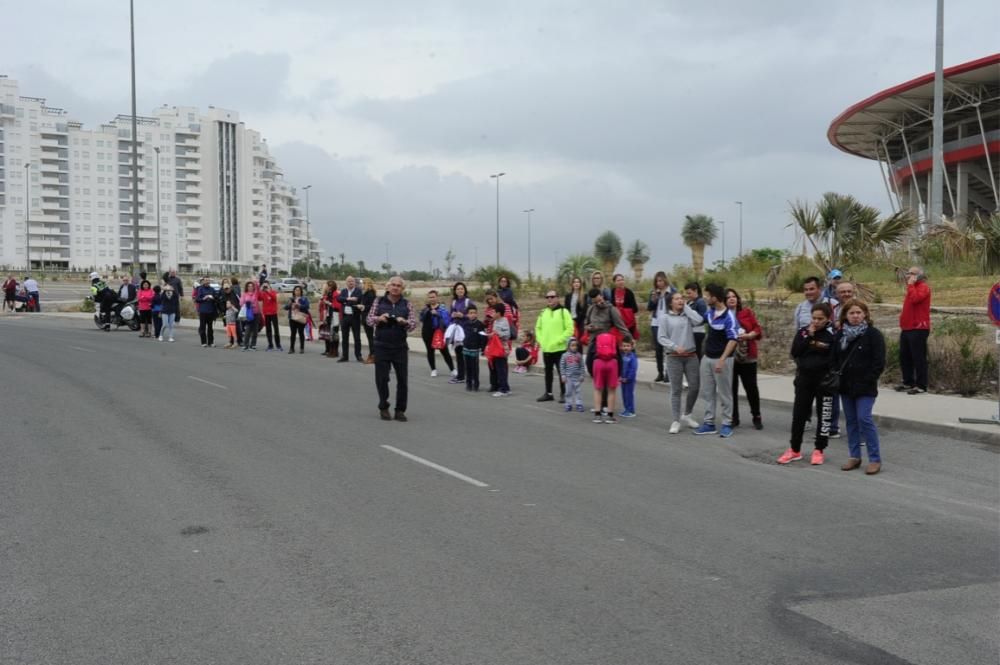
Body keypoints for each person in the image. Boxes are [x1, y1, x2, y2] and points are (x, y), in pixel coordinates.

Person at [778, 303, 836, 465]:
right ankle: (794, 449)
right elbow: (795, 352)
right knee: (799, 415)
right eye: (814, 318)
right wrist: (809, 336)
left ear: (828, 318)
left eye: (820, 319)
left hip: (824, 381)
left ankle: (819, 449)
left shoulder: (833, 334)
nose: (816, 322)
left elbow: (834, 357)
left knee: (824, 415)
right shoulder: (803, 332)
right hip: (804, 379)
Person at [835, 300, 886, 475]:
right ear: (845, 316)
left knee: (864, 418)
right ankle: (854, 456)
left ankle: (874, 459)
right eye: (851, 313)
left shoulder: (873, 334)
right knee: (851, 421)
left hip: (865, 386)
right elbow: (834, 358)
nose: (855, 316)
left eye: (859, 312)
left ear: (865, 314)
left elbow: (879, 362)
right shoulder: (841, 335)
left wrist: (868, 380)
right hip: (846, 386)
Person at [366, 276, 418, 420]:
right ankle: (383, 406)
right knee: (382, 379)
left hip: (400, 347)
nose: (395, 287)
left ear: (402, 289)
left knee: (402, 380)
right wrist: (379, 318)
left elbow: (413, 324)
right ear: (388, 287)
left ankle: (400, 410)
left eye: (399, 286)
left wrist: (405, 322)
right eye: (393, 285)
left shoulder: (407, 304)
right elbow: (369, 320)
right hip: (382, 346)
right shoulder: (379, 301)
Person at [693, 284, 739, 438]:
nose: (705, 298)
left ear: (715, 297)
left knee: (725, 394)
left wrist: (722, 360)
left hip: (722, 360)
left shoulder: (729, 316)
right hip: (707, 358)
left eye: (707, 295)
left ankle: (727, 424)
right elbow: (698, 321)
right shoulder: (710, 312)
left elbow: (733, 340)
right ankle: (709, 423)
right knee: (707, 392)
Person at [657, 291, 704, 434]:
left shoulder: (688, 315)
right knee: (676, 390)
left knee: (695, 387)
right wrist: (675, 347)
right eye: (677, 299)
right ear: (670, 302)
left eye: (682, 298)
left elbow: (700, 320)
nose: (680, 300)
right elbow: (661, 338)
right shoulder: (665, 318)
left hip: (691, 356)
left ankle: (687, 414)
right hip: (673, 357)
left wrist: (687, 308)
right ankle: (676, 420)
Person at [727, 288, 763, 430]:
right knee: (732, 389)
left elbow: (758, 330)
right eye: (728, 297)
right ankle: (734, 418)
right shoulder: (723, 316)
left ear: (738, 299)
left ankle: (756, 416)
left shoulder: (746, 313)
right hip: (730, 358)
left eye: (734, 296)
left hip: (747, 356)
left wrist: (749, 335)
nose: (731, 298)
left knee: (751, 388)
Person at [535, 289, 575, 402]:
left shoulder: (564, 312)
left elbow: (570, 329)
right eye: (547, 297)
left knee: (562, 372)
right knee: (548, 372)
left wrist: (559, 340)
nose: (550, 299)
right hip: (547, 348)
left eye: (552, 297)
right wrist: (541, 340)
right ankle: (548, 393)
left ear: (557, 298)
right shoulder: (543, 312)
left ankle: (564, 393)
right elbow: (538, 328)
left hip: (560, 349)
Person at [897, 266, 931, 395]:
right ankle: (908, 382)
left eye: (912, 274)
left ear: (919, 276)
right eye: (908, 273)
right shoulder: (912, 288)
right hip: (907, 327)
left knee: (918, 357)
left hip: (918, 328)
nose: (908, 276)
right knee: (904, 356)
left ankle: (921, 385)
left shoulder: (923, 287)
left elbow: (915, 299)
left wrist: (911, 286)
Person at [647, 271, 676, 383]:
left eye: (661, 280)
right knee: (658, 349)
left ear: (665, 280)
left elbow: (675, 306)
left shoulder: (672, 291)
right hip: (656, 322)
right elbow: (649, 307)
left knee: (668, 348)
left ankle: (668, 373)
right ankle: (660, 372)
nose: (659, 283)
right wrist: (653, 299)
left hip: (668, 322)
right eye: (657, 281)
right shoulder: (654, 292)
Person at [419, 289, 453, 377]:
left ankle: (452, 369)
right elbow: (421, 319)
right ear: (428, 298)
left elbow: (447, 321)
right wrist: (427, 313)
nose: (432, 299)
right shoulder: (425, 309)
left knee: (444, 351)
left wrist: (438, 314)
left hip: (439, 333)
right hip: (427, 333)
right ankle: (433, 369)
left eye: (433, 297)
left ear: (437, 297)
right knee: (430, 351)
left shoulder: (442, 309)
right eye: (430, 297)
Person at [591, 331, 620, 424]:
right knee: (611, 390)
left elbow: (590, 355)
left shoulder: (596, 338)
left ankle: (597, 415)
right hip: (612, 362)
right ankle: (610, 415)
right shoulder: (613, 338)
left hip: (598, 362)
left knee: (598, 389)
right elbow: (618, 355)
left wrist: (591, 371)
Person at [449, 282, 474, 384]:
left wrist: (462, 316)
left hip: (466, 331)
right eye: (458, 289)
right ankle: (460, 376)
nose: (460, 290)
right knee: (458, 354)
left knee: (468, 354)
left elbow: (473, 316)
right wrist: (453, 315)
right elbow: (450, 315)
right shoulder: (454, 302)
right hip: (457, 332)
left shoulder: (468, 302)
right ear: (455, 291)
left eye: (462, 289)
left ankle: (471, 376)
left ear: (465, 290)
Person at [338, 275, 365, 362]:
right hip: (345, 317)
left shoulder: (358, 291)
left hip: (355, 317)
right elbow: (339, 299)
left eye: (352, 281)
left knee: (357, 338)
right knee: (344, 337)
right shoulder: (343, 291)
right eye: (349, 281)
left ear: (354, 282)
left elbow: (358, 299)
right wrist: (348, 299)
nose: (350, 283)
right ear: (346, 282)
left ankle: (358, 356)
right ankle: (345, 356)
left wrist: (346, 301)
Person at [459, 304, 486, 391]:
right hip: (466, 348)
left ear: (477, 314)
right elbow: (462, 335)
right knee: (467, 367)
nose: (472, 314)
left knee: (475, 367)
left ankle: (476, 384)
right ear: (467, 314)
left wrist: (483, 348)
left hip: (475, 349)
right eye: (470, 313)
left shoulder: (480, 324)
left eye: (474, 313)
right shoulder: (465, 324)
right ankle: (468, 383)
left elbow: (483, 338)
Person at [488, 302, 512, 397]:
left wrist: (496, 334)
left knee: (501, 369)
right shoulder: (495, 321)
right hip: (495, 348)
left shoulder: (504, 321)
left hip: (502, 349)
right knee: (498, 368)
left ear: (499, 313)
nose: (492, 314)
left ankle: (503, 389)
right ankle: (505, 387)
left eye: (494, 312)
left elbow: (507, 334)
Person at [559, 338, 586, 412]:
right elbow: (562, 366)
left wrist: (582, 375)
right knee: (568, 391)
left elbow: (582, 366)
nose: (575, 347)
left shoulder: (579, 355)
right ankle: (568, 404)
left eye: (576, 345)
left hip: (577, 377)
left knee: (578, 391)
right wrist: (563, 375)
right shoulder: (564, 355)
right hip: (568, 378)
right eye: (572, 345)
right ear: (568, 346)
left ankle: (579, 404)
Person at [611, 273, 640, 342]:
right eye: (618, 280)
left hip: (628, 322)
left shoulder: (629, 292)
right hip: (616, 321)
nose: (621, 282)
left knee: (629, 342)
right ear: (614, 282)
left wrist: (622, 311)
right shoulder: (612, 292)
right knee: (617, 342)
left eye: (622, 280)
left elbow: (635, 308)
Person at [684, 282, 708, 359]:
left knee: (697, 354)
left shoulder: (700, 302)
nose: (688, 295)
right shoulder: (689, 302)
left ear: (695, 291)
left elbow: (703, 319)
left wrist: (693, 321)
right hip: (690, 331)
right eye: (687, 293)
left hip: (698, 332)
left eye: (689, 293)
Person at [319, 281, 341, 358]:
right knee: (330, 334)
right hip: (329, 315)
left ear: (333, 286)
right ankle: (330, 350)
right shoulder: (328, 294)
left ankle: (335, 351)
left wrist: (329, 303)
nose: (328, 287)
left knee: (335, 334)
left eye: (330, 286)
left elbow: (338, 306)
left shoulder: (336, 294)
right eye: (328, 286)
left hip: (335, 315)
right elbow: (325, 307)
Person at [193, 277, 218, 347]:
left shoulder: (212, 289)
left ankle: (211, 342)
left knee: (210, 328)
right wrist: (204, 298)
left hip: (210, 311)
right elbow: (197, 299)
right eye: (206, 280)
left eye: (208, 280)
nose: (207, 281)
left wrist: (213, 298)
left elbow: (216, 298)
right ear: (203, 281)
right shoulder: (200, 289)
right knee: (202, 327)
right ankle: (203, 342)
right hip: (203, 311)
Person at [285, 285, 310, 354]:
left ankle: (302, 348)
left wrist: (299, 305)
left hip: (301, 318)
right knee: (293, 333)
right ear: (294, 291)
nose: (297, 291)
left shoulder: (304, 298)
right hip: (292, 318)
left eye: (298, 290)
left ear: (301, 291)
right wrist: (290, 304)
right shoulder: (291, 298)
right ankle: (291, 348)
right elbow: (285, 307)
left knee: (301, 333)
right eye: (296, 290)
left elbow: (307, 307)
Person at [258, 281, 282, 351]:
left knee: (276, 330)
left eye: (267, 285)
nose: (265, 287)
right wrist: (260, 289)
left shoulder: (273, 292)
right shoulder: (263, 293)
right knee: (268, 330)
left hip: (273, 313)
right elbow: (258, 298)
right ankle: (270, 345)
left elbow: (274, 298)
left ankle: (278, 345)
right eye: (264, 285)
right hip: (266, 314)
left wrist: (268, 291)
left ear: (269, 285)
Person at [618, 339, 639, 417]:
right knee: (624, 395)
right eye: (624, 346)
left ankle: (631, 411)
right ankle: (626, 409)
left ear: (632, 347)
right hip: (622, 379)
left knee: (629, 395)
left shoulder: (633, 357)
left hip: (629, 381)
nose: (626, 348)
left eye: (628, 346)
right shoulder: (622, 356)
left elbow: (633, 369)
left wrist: (628, 378)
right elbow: (620, 367)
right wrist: (620, 376)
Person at [219, 279, 242, 347]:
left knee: (237, 328)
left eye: (227, 288)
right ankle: (231, 342)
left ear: (230, 287)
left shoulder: (234, 292)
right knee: (229, 328)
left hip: (236, 311)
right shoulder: (224, 294)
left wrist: (233, 307)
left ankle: (239, 341)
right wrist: (224, 312)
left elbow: (239, 301)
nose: (227, 290)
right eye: (225, 289)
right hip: (229, 314)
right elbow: (222, 303)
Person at [564, 276, 587, 340]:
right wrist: (570, 320)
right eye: (574, 282)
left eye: (578, 282)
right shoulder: (568, 296)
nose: (576, 283)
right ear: (572, 284)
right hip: (570, 321)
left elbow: (584, 311)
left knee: (579, 341)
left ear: (580, 284)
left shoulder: (584, 296)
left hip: (580, 322)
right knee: (570, 341)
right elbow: (566, 309)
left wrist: (576, 320)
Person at [239, 281, 260, 351]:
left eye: (251, 286)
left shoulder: (255, 293)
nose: (250, 287)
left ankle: (253, 345)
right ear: (247, 287)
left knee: (255, 330)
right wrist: (247, 304)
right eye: (249, 286)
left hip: (256, 313)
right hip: (248, 314)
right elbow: (241, 303)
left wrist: (255, 281)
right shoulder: (244, 294)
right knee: (248, 329)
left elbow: (257, 287)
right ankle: (245, 345)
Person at [361, 277, 377, 363]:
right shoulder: (366, 293)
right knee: (370, 337)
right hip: (365, 316)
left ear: (367, 284)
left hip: (368, 317)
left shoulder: (370, 293)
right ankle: (372, 355)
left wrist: (363, 307)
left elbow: (371, 306)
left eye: (364, 283)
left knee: (371, 338)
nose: (362, 285)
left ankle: (372, 356)